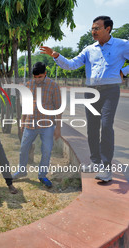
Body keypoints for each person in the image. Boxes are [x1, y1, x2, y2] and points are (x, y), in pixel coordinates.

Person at [40, 16, 129, 182]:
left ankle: (106, 168)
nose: (93, 31)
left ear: (108, 29)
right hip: (91, 91)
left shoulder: (122, 45)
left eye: (97, 28)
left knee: (106, 125)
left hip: (111, 90)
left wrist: (125, 70)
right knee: (92, 128)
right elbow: (71, 64)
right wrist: (55, 55)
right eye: (92, 28)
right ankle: (95, 162)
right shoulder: (89, 49)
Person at [12, 62, 62, 188]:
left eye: (39, 77)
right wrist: (23, 121)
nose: (37, 79)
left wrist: (58, 128)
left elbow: (58, 108)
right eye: (35, 77)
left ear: (45, 74)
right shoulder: (28, 85)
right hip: (30, 123)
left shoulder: (53, 86)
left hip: (47, 125)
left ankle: (42, 175)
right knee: (24, 148)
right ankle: (21, 170)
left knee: (46, 150)